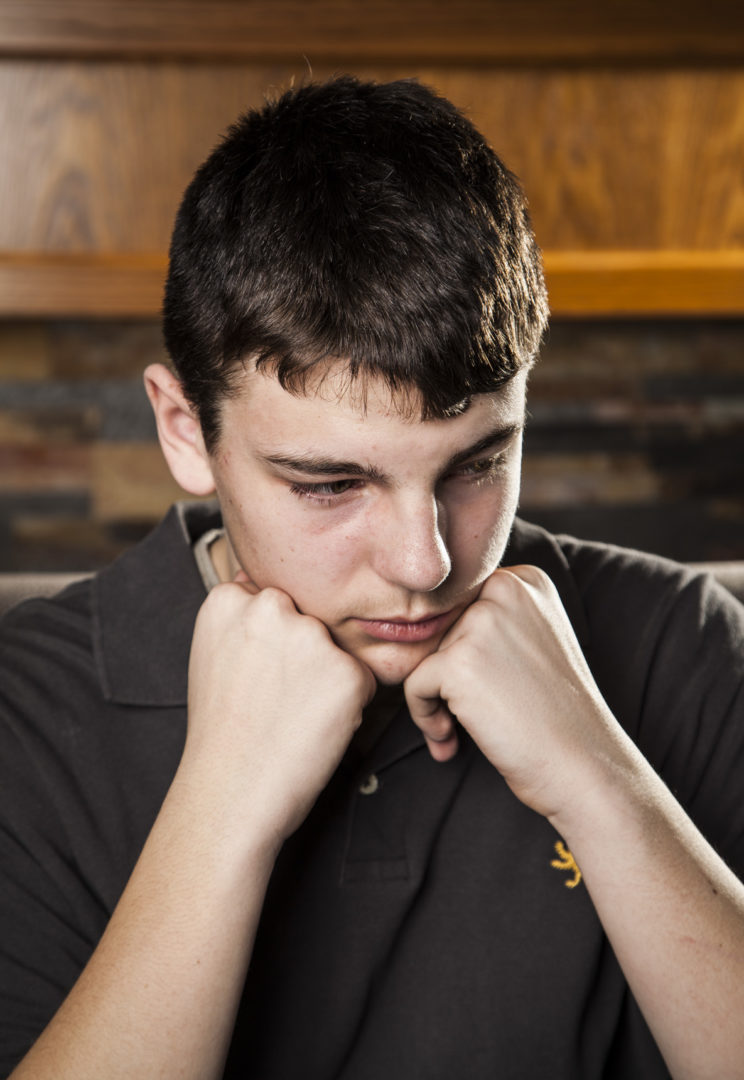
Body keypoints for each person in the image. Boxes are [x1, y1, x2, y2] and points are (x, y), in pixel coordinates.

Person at [1, 75, 743, 1080]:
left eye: (477, 465)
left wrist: (599, 781)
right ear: (184, 430)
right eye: (331, 484)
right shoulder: (23, 710)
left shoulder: (682, 642)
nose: (425, 563)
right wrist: (220, 810)